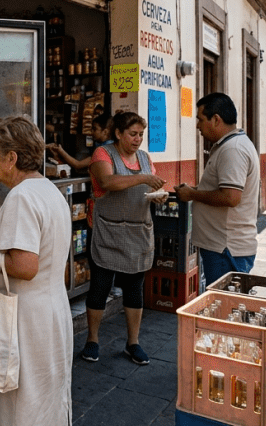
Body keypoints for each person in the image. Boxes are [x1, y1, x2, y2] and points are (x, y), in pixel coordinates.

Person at [0, 115, 72, 425]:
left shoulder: (22, 197)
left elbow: (25, 267)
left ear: (12, 158)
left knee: (20, 406)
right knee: (44, 402)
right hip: (50, 313)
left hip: (25, 321)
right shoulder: (49, 191)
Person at [77, 112, 166, 365]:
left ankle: (133, 342)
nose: (138, 140)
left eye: (141, 135)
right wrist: (144, 178)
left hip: (138, 233)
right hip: (109, 233)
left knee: (134, 290)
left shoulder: (145, 159)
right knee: (100, 288)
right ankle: (92, 340)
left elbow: (151, 189)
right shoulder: (103, 155)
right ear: (118, 134)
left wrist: (157, 194)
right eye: (133, 134)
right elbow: (107, 182)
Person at [174, 93, 260, 283]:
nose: (197, 126)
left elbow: (230, 197)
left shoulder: (233, 149)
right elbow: (224, 189)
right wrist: (195, 190)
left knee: (222, 307)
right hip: (223, 247)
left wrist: (192, 194)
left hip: (226, 249)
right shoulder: (230, 145)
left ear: (216, 119)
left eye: (200, 119)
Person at [47, 113, 112, 171]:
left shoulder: (104, 149)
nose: (92, 132)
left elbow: (78, 165)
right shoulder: (102, 145)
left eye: (95, 129)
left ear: (105, 132)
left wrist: (60, 151)